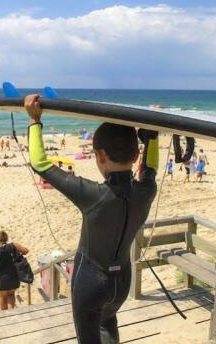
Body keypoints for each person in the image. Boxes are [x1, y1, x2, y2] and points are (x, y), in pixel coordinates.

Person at [24, 94, 159, 344]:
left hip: (90, 284)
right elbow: (150, 170)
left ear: (99, 155)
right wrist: (153, 134)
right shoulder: (146, 191)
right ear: (136, 155)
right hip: (122, 283)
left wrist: (34, 121)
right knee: (109, 326)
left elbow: (40, 164)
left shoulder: (94, 196)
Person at [0, 230, 28, 310]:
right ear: (7, 238)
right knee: (11, 295)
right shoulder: (13, 246)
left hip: (1, 278)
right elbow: (25, 251)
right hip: (13, 276)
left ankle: (4, 317)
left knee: (3, 297)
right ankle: (11, 313)